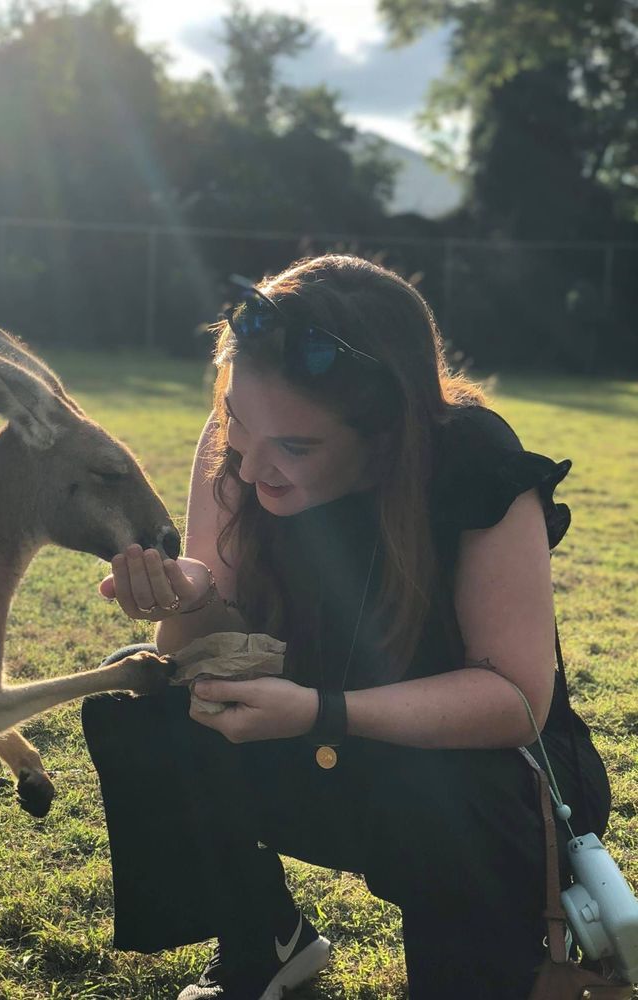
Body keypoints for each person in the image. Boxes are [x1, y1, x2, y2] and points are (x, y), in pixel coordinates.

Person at [81, 254, 612, 1000]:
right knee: (155, 706)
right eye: (237, 426)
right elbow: (200, 641)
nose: (253, 467)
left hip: (481, 782)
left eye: (295, 448)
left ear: (388, 433)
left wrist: (320, 709)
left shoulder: (472, 459)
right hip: (324, 741)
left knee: (446, 805)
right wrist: (181, 595)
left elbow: (517, 700)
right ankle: (263, 941)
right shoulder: (242, 443)